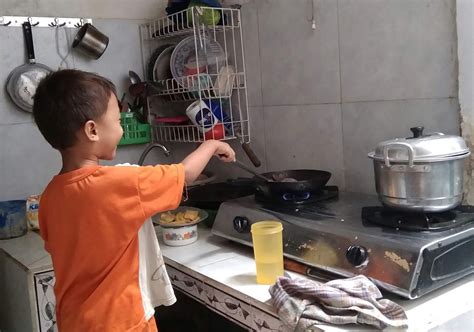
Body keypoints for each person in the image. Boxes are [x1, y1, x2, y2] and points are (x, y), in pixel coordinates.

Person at [32, 69, 235, 331]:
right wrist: (212, 145)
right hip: (122, 320)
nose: (121, 130)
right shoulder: (119, 183)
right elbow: (185, 174)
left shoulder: (49, 197)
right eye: (117, 122)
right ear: (92, 130)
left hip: (75, 320)